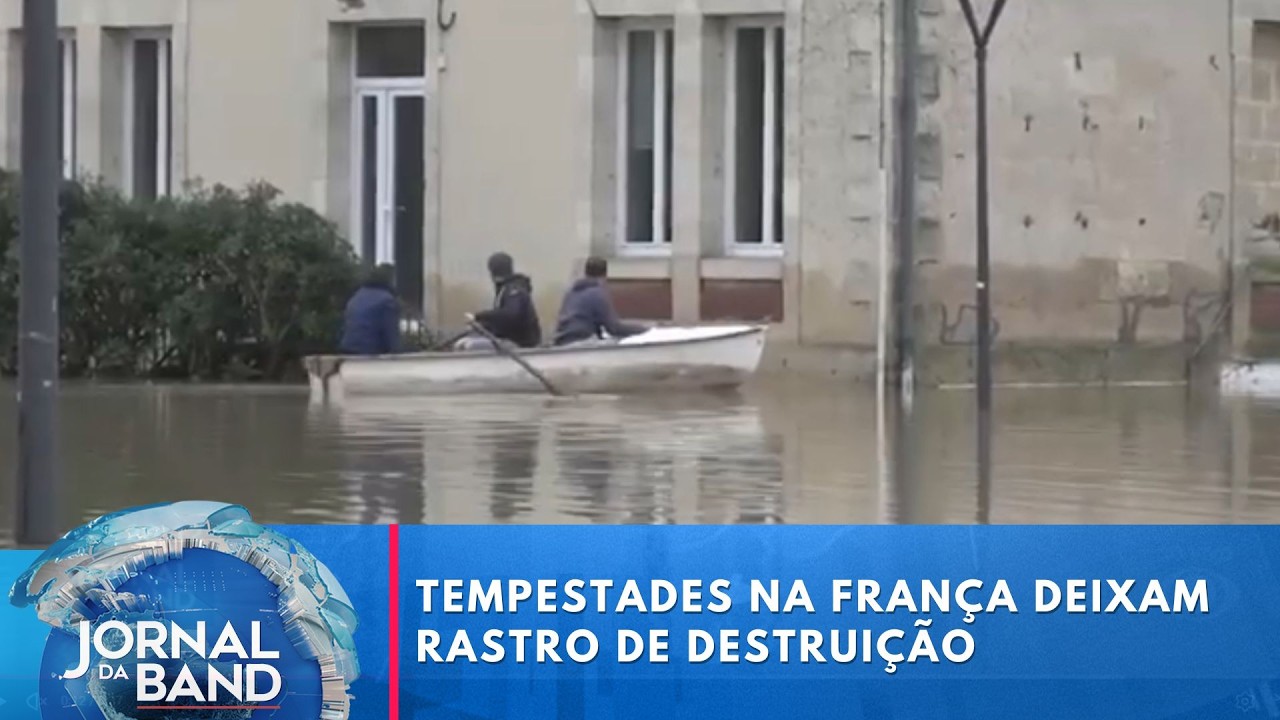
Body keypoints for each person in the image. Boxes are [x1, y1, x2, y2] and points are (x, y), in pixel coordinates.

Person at [553, 256, 648, 346]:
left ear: (586, 273)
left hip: (562, 342)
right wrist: (643, 330)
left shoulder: (572, 292)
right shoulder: (597, 293)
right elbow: (613, 328)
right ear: (605, 274)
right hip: (581, 342)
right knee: (618, 345)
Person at [459, 252, 542, 350]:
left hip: (521, 345)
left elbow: (511, 314)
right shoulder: (505, 289)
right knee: (463, 342)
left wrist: (478, 316)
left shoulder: (514, 290)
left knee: (470, 346)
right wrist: (481, 325)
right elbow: (502, 322)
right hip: (508, 341)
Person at [340, 263, 401, 356]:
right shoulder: (387, 300)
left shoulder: (357, 295)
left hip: (347, 349)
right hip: (369, 352)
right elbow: (391, 334)